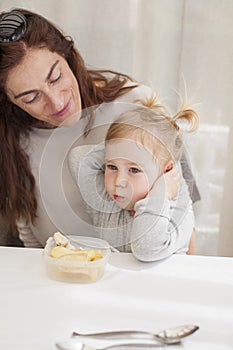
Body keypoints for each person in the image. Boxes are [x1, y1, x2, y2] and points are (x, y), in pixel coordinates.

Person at [0, 8, 200, 248]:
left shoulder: (138, 104)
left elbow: (186, 226)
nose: (57, 101)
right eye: (31, 98)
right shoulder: (12, 143)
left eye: (55, 78)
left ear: (68, 56)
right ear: (9, 101)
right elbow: (25, 241)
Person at [68, 98, 199, 261]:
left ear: (166, 171)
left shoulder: (178, 211)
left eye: (134, 170)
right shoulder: (105, 202)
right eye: (112, 167)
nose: (118, 182)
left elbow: (146, 249)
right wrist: (120, 146)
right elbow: (78, 159)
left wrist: (159, 193)